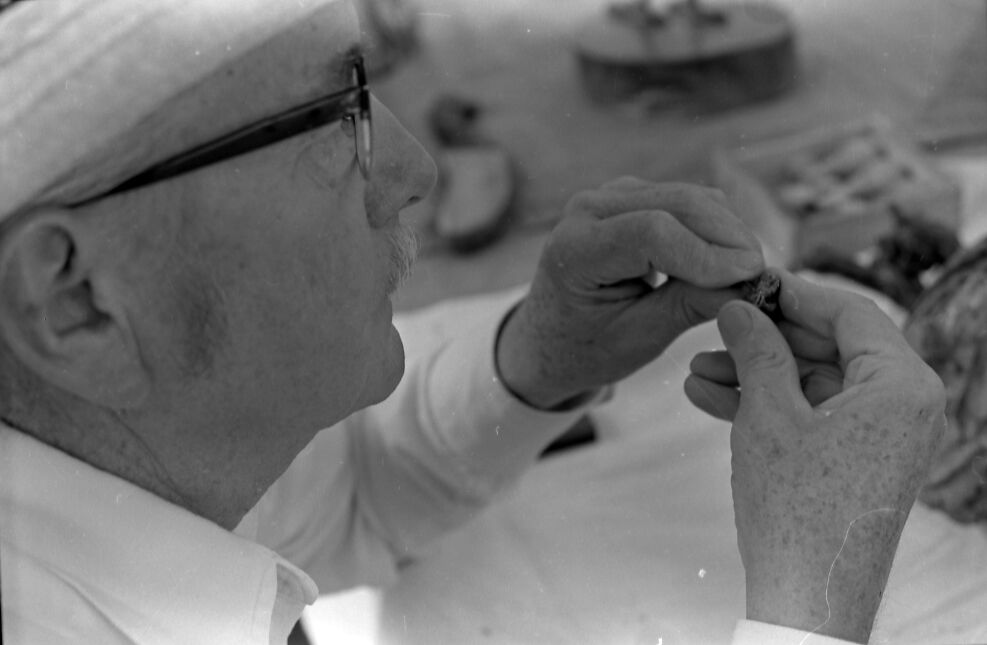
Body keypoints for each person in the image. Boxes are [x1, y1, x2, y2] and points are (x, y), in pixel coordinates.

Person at [0, 1, 945, 644]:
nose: (416, 173)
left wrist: (536, 363)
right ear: (75, 298)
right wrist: (808, 609)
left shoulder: (123, 464)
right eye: (337, 119)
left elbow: (337, 500)